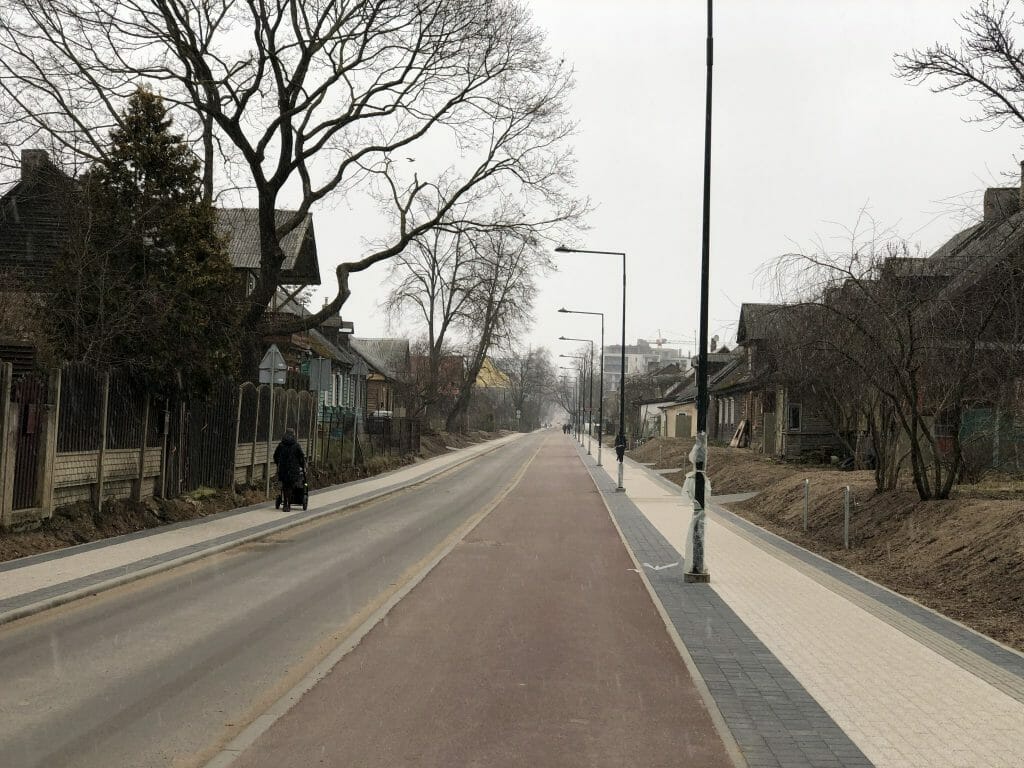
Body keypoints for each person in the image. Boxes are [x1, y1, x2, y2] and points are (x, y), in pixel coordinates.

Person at [273, 428, 306, 512]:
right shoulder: (296, 445)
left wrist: (278, 463)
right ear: (293, 435)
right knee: (291, 486)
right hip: (293, 469)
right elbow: (301, 457)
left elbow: (275, 455)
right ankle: (288, 504)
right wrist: (302, 465)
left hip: (283, 468)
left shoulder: (281, 445)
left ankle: (285, 503)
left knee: (285, 486)